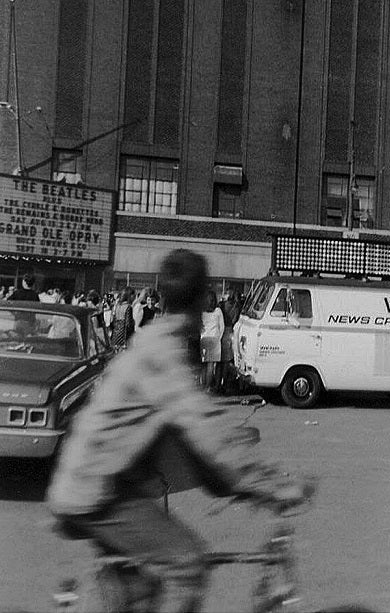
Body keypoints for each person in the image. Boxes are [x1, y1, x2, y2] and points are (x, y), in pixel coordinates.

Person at [47, 248, 305, 612]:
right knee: (188, 563)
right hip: (97, 492)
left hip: (99, 482)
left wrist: (238, 485)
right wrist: (273, 485)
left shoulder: (153, 343)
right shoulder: (163, 354)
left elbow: (196, 444)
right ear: (204, 298)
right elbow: (209, 435)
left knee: (138, 592)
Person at [200, 290, 224, 390]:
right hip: (215, 339)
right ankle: (208, 387)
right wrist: (219, 338)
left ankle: (202, 384)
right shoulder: (218, 311)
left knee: (204, 364)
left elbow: (199, 327)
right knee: (211, 365)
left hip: (204, 339)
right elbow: (222, 326)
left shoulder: (202, 312)